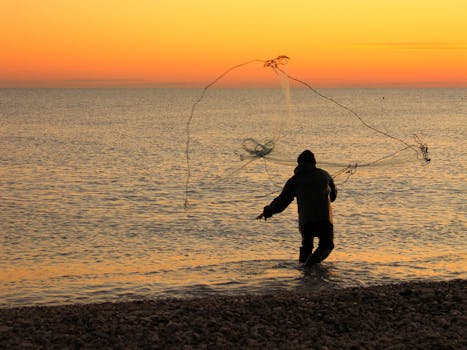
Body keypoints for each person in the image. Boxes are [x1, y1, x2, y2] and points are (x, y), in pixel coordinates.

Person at [256, 150, 337, 266]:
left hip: (306, 221)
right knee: (326, 245)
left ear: (299, 164)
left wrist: (268, 211)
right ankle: (309, 267)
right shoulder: (325, 175)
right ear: (314, 162)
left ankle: (304, 272)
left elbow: (282, 201)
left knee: (307, 247)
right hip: (324, 219)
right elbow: (333, 197)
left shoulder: (294, 180)